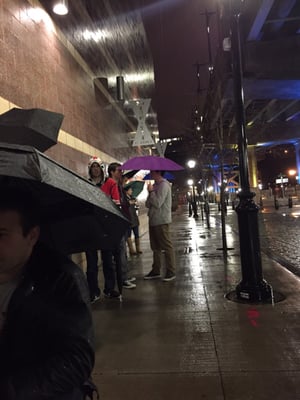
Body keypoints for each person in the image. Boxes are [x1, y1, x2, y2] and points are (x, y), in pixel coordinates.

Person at [0, 185, 97, 399]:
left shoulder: (60, 278)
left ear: (32, 235)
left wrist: (10, 390)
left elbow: (76, 360)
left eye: (1, 234)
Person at [101, 162, 136, 296]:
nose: (121, 173)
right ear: (112, 172)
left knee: (121, 252)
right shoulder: (111, 183)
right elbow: (108, 200)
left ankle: (123, 277)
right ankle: (122, 280)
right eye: (119, 170)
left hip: (118, 222)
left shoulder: (117, 185)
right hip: (115, 223)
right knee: (119, 253)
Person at [144, 170, 176, 281]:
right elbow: (147, 204)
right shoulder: (155, 185)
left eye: (152, 171)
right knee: (155, 247)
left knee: (166, 246)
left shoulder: (164, 185)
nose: (150, 173)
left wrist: (152, 192)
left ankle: (171, 271)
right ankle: (156, 270)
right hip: (153, 220)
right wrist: (150, 192)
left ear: (158, 172)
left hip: (161, 220)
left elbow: (157, 203)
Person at [85, 156, 105, 303]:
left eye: (98, 166)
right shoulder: (85, 183)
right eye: (93, 167)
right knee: (91, 262)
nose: (96, 169)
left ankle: (109, 288)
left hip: (105, 224)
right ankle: (93, 291)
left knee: (107, 260)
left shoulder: (107, 184)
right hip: (90, 225)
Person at [123, 184, 142, 256]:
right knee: (128, 235)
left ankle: (138, 248)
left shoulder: (133, 198)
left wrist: (136, 204)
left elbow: (136, 208)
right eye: (130, 190)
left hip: (134, 218)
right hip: (128, 219)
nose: (131, 191)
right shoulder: (124, 199)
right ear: (126, 191)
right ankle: (131, 249)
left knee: (137, 234)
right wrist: (129, 202)